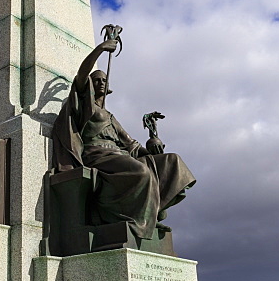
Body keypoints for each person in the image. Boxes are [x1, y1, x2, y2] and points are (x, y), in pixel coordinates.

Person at [51, 40, 196, 240]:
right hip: (98, 155)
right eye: (97, 80)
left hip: (119, 154)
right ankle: (137, 221)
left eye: (104, 80)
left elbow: (131, 145)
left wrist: (152, 149)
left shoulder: (110, 116)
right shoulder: (86, 109)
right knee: (141, 172)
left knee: (172, 163)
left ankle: (151, 214)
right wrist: (100, 49)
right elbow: (81, 76)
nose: (101, 82)